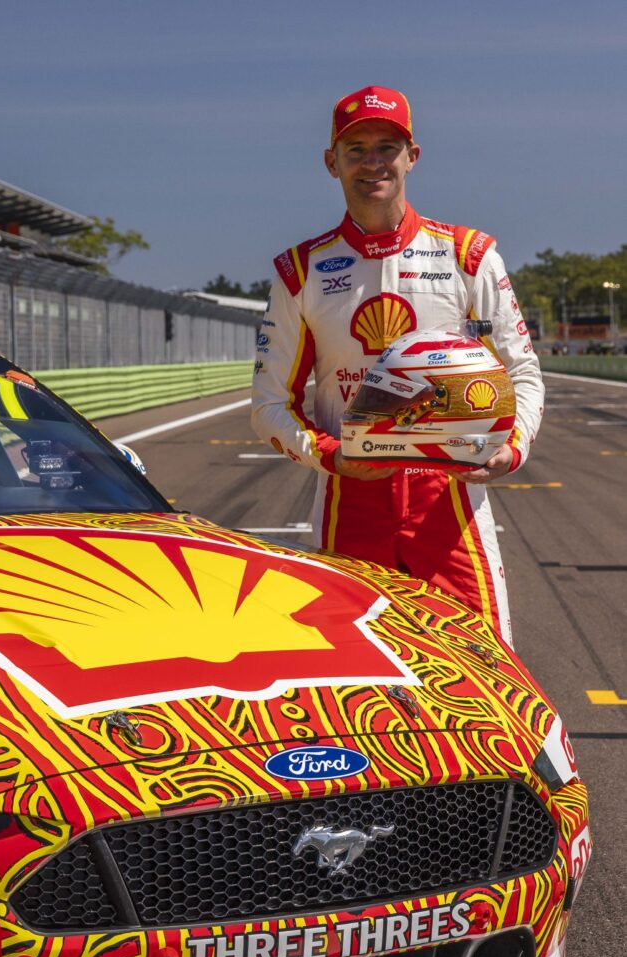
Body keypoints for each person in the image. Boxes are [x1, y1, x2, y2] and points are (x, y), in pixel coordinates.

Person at [250, 85, 542, 644]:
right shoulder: (300, 271)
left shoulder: (468, 255)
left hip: (449, 502)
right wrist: (332, 458)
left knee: (484, 674)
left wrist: (513, 449)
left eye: (388, 146)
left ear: (413, 156)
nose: (373, 162)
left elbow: (522, 373)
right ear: (330, 162)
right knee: (353, 684)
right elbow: (269, 407)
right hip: (348, 503)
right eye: (355, 148)